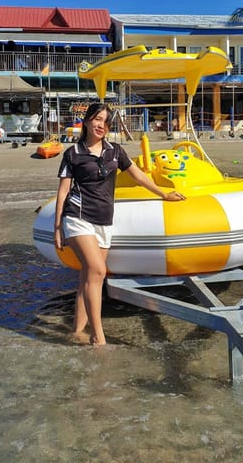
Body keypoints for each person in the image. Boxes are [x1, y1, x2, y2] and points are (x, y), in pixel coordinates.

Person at [54, 103, 185, 346]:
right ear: (86, 121)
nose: (100, 125)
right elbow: (63, 192)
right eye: (96, 119)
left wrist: (162, 194)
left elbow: (138, 175)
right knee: (98, 271)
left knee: (87, 277)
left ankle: (76, 330)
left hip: (104, 221)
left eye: (105, 121)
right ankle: (98, 336)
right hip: (77, 217)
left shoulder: (115, 151)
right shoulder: (73, 153)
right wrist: (58, 227)